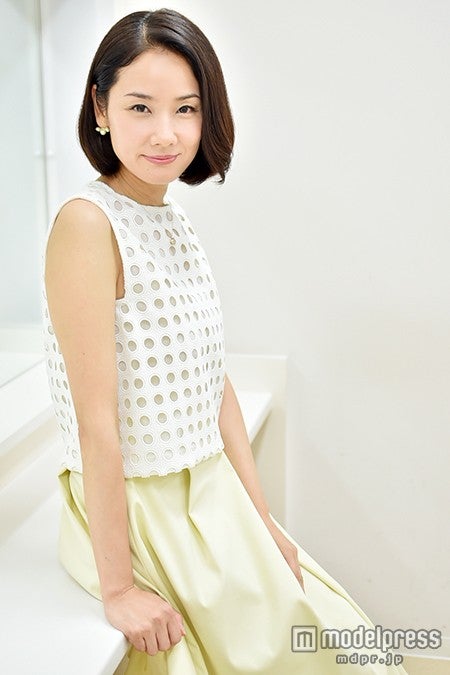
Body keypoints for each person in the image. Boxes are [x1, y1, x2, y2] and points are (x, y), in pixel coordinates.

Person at [41, 9, 409, 674]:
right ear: (100, 108)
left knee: (338, 636)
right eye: (140, 107)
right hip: (146, 507)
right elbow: (98, 425)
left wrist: (262, 521)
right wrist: (119, 589)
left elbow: (211, 381)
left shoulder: (171, 218)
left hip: (210, 495)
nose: (166, 132)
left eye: (186, 109)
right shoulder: (87, 225)